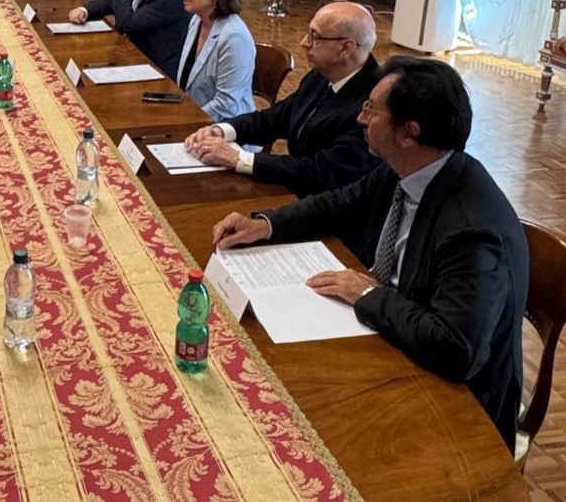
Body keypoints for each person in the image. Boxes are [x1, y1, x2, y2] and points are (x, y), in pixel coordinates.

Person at [211, 57, 528, 452]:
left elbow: (456, 348)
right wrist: (265, 225)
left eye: (371, 110)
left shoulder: (471, 229)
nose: (360, 118)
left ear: (409, 132)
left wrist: (365, 294)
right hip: (392, 337)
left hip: (455, 409)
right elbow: (339, 203)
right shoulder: (410, 166)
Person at [184, 0, 380, 197]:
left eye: (315, 36)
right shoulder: (321, 75)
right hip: (300, 192)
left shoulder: (374, 105)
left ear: (346, 48)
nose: (304, 43)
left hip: (327, 204)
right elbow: (275, 118)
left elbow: (321, 171)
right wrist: (221, 130)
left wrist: (239, 159)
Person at [173, 0, 255, 122]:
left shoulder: (234, 38)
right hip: (195, 119)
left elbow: (226, 105)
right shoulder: (196, 21)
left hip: (227, 128)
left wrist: (184, 121)